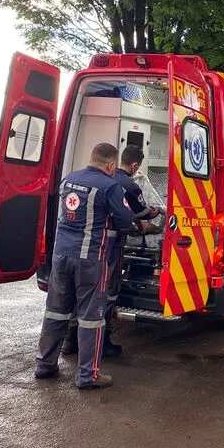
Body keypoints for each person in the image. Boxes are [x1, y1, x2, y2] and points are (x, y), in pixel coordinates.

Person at [34, 143, 134, 389]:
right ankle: (88, 375)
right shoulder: (110, 186)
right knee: (92, 318)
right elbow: (125, 221)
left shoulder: (69, 179)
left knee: (56, 311)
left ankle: (45, 366)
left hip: (60, 256)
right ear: (111, 165)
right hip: (90, 259)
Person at [61, 145, 162, 358]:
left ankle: (70, 341)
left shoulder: (78, 179)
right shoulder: (127, 185)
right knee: (106, 295)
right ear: (135, 165)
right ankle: (103, 344)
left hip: (71, 248)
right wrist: (158, 216)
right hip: (108, 249)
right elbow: (139, 215)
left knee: (75, 295)